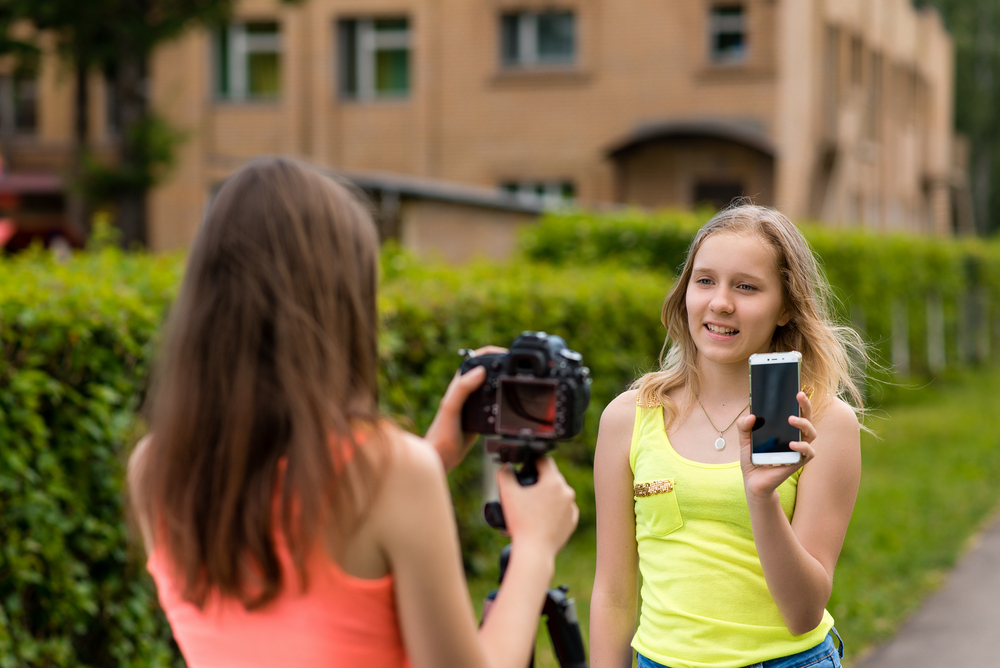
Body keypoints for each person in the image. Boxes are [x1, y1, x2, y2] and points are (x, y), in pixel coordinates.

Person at [126, 156, 579, 668]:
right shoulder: (393, 474)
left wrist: (434, 456)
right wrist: (535, 547)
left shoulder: (155, 467)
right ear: (339, 302)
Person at [590, 204, 867, 668]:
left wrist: (762, 497)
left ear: (785, 308)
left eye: (746, 286)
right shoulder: (628, 418)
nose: (720, 302)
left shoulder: (823, 422)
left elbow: (803, 612)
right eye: (704, 281)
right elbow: (613, 595)